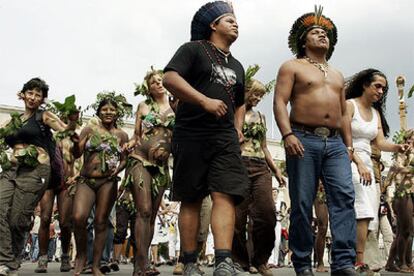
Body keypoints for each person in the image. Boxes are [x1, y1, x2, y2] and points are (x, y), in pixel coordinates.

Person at [163, 1, 250, 275]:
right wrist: (203, 101)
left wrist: (238, 127)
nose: (235, 23)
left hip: (224, 137)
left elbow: (239, 101)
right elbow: (169, 78)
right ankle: (189, 262)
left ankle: (223, 260)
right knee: (191, 198)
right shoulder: (192, 50)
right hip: (191, 133)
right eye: (229, 19)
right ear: (214, 25)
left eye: (236, 20)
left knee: (225, 194)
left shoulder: (237, 65)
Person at [273, 6, 356, 276]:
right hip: (303, 139)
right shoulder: (291, 66)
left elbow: (343, 113)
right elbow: (279, 102)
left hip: (335, 145)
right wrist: (287, 135)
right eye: (315, 32)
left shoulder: (338, 74)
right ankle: (302, 263)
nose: (322, 35)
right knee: (301, 202)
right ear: (303, 41)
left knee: (344, 198)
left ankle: (343, 262)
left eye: (325, 33)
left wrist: (348, 145)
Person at [0, 77, 78, 276]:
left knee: (18, 218)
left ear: (42, 99)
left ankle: (11, 262)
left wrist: (72, 121)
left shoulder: (44, 116)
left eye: (38, 94)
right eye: (30, 93)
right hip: (12, 169)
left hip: (35, 171)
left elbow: (65, 130)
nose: (33, 97)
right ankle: (6, 260)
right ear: (23, 94)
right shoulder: (14, 120)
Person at [345, 68, 410, 274]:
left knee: (369, 213)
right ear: (365, 85)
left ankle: (357, 259)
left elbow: (380, 142)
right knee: (363, 209)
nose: (381, 91)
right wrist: (358, 163)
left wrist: (397, 147)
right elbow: (342, 137)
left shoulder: (375, 113)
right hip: (348, 158)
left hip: (367, 162)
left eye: (384, 88)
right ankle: (358, 261)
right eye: (377, 86)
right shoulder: (349, 105)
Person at [232, 65, 286, 276]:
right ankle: (241, 261)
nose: (257, 98)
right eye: (255, 94)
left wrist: (276, 171)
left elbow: (264, 147)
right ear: (245, 91)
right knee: (238, 217)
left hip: (260, 166)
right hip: (239, 165)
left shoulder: (261, 117)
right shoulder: (233, 113)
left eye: (260, 96)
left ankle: (261, 259)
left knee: (267, 214)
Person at [123, 67, 174, 276]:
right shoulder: (143, 106)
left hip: (161, 168)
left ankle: (142, 262)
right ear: (148, 87)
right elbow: (136, 135)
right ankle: (140, 265)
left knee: (152, 215)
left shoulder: (176, 105)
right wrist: (129, 144)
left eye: (161, 80)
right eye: (154, 82)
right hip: (140, 161)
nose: (158, 83)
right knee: (143, 210)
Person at [71, 92, 130, 276]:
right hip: (87, 180)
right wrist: (75, 142)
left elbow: (124, 159)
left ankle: (96, 264)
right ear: (99, 112)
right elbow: (77, 154)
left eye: (112, 109)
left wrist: (117, 170)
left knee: (101, 222)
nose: (108, 112)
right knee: (79, 217)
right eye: (104, 109)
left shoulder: (122, 135)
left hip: (108, 182)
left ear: (117, 113)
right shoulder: (89, 130)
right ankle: (81, 256)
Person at [35, 112, 80, 273]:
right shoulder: (47, 136)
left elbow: (79, 157)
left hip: (66, 183)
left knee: (65, 222)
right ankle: (42, 257)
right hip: (48, 181)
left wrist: (75, 177)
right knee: (45, 218)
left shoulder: (74, 137)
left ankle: (66, 256)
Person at [383, 129, 414, 273]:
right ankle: (401, 263)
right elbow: (397, 169)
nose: (410, 142)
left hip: (412, 192)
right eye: (409, 139)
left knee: (409, 231)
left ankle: (395, 262)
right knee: (405, 230)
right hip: (403, 194)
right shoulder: (401, 153)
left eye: (413, 139)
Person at [313, 182, 329, 272]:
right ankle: (320, 262)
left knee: (339, 224)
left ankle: (341, 261)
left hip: (335, 184)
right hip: (320, 187)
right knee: (322, 226)